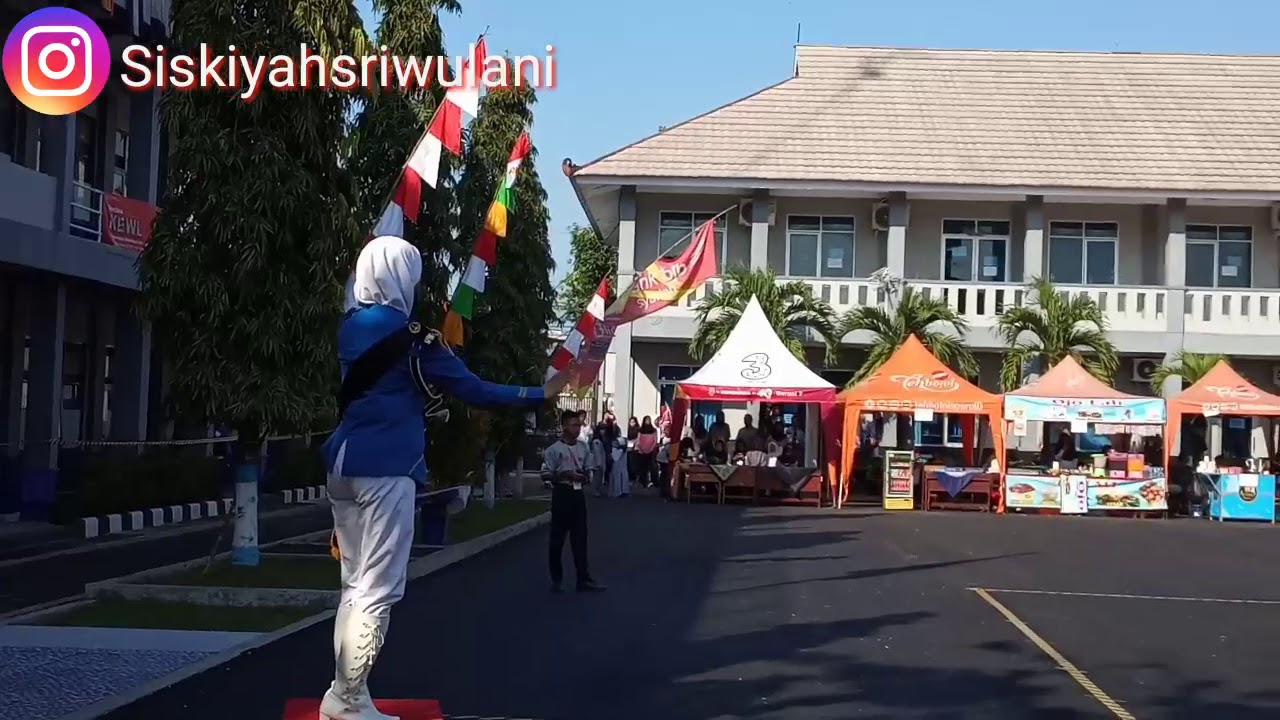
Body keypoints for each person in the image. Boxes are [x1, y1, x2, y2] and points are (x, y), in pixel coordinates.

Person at [321, 236, 566, 720]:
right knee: (380, 588)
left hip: (342, 464)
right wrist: (540, 393)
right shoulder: (415, 338)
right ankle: (347, 700)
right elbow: (474, 389)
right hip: (387, 468)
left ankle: (345, 692)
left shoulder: (349, 327)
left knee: (354, 586)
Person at [540, 409, 606, 594]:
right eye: (573, 425)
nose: (577, 428)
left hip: (577, 495)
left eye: (579, 425)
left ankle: (583, 578)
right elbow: (545, 474)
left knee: (580, 539)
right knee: (557, 540)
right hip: (562, 494)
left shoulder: (584, 447)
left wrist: (584, 476)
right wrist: (563, 475)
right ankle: (557, 578)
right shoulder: (554, 450)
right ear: (564, 427)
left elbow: (589, 470)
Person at [634, 415, 659, 488]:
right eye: (646, 420)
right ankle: (643, 482)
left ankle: (654, 482)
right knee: (643, 468)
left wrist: (651, 449)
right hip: (642, 452)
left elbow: (655, 440)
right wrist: (641, 449)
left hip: (651, 452)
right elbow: (638, 440)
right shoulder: (641, 430)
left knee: (653, 467)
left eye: (649, 420)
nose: (647, 421)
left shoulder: (653, 430)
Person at [589, 423, 609, 497]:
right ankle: (595, 490)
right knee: (597, 478)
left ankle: (597, 490)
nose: (603, 431)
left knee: (599, 477)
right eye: (601, 429)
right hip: (597, 463)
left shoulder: (601, 440)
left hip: (600, 462)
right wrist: (599, 463)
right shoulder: (596, 441)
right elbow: (597, 453)